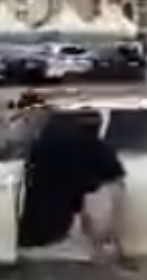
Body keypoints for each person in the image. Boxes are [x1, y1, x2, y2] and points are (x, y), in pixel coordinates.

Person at [15, 100, 127, 262]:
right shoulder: (95, 149)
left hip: (33, 231)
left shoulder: (42, 146)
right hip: (61, 234)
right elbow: (110, 192)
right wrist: (110, 238)